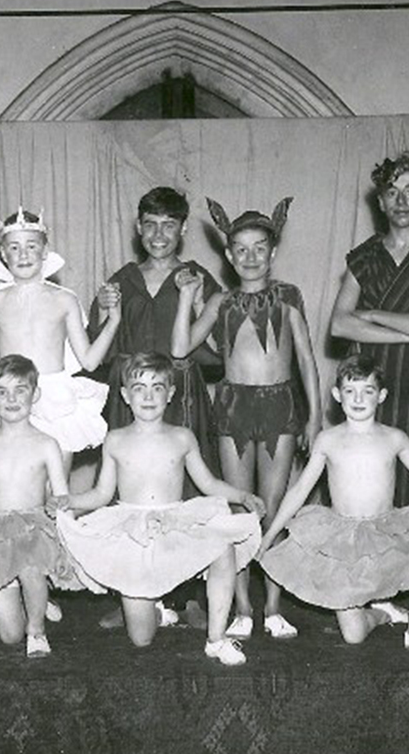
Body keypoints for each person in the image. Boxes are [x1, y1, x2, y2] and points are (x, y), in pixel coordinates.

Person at [258, 355, 409, 655]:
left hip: (386, 531)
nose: (358, 398)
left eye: (367, 390)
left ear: (381, 396)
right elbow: (300, 490)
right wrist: (270, 534)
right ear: (337, 395)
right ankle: (382, 613)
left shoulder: (394, 438)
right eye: (350, 391)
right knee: (353, 636)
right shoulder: (328, 440)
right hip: (344, 540)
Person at [172, 198, 321, 641]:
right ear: (228, 254)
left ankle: (273, 607)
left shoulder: (289, 295)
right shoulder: (222, 300)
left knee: (273, 511)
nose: (250, 257)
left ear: (272, 253)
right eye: (240, 249)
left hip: (280, 408)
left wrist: (313, 418)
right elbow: (180, 349)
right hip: (234, 408)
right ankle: (242, 607)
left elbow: (309, 361)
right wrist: (185, 300)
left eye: (259, 248)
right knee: (238, 509)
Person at [54, 353, 264, 666]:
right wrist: (70, 500)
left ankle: (217, 639)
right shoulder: (115, 440)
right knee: (141, 639)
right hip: (132, 527)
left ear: (171, 394)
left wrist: (243, 495)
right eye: (139, 388)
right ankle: (155, 611)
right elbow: (101, 494)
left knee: (223, 546)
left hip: (175, 520)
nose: (148, 396)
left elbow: (208, 484)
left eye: (157, 387)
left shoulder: (182, 437)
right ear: (125, 396)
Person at [88, 186, 223, 629]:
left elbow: (220, 348)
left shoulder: (198, 276)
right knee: (126, 490)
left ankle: (190, 596)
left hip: (180, 390)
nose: (158, 234)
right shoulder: (120, 279)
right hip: (128, 392)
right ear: (138, 227)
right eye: (150, 224)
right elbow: (95, 352)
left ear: (183, 229)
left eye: (168, 225)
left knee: (186, 488)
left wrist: (200, 301)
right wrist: (106, 311)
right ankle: (128, 591)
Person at [0, 207, 121, 473]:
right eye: (14, 247)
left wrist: (114, 320)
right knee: (15, 479)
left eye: (31, 246)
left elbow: (90, 361)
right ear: (3, 254)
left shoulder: (64, 299)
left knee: (55, 487)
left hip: (55, 399)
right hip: (13, 396)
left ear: (45, 251)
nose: (23, 255)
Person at [330, 151, 409, 517]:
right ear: (381, 201)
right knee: (367, 486)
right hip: (367, 388)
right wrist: (406, 331)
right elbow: (338, 325)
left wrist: (370, 314)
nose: (401, 200)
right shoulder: (363, 258)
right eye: (392, 191)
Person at [0, 355, 82, 658]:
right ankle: (35, 600)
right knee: (9, 637)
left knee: (31, 563)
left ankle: (37, 628)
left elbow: (63, 500)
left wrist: (69, 547)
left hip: (33, 527)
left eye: (20, 390)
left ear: (35, 395)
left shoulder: (47, 444)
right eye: (2, 391)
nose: (11, 399)